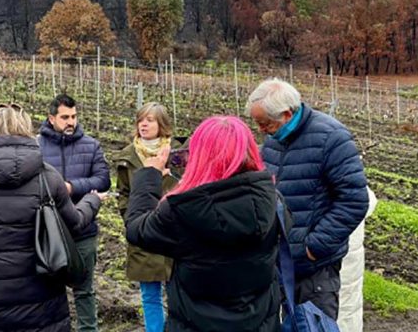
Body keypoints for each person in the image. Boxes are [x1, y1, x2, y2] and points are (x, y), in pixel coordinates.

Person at [0, 104, 105, 332]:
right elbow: (74, 224)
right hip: (43, 304)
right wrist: (92, 201)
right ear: (26, 130)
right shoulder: (48, 178)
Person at [125, 116, 281, 331]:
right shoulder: (272, 199)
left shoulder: (182, 210)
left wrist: (148, 176)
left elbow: (137, 229)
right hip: (259, 323)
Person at [247, 78, 369, 320]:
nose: (261, 130)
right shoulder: (273, 140)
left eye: (265, 123)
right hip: (279, 263)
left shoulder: (332, 138)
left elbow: (354, 200)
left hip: (315, 270)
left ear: (286, 114)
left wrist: (315, 246)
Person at [38, 94, 110, 332]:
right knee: (48, 291)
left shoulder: (91, 146)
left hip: (83, 231)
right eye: (65, 117)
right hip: (49, 232)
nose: (71, 122)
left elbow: (103, 180)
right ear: (51, 118)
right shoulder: (36, 147)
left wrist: (71, 187)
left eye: (74, 116)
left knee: (84, 290)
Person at [114, 102, 179, 332]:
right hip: (144, 231)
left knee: (178, 292)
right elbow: (123, 193)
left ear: (162, 124)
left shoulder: (178, 154)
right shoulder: (128, 157)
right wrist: (131, 219)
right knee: (150, 294)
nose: (143, 124)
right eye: (140, 120)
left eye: (149, 120)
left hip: (175, 232)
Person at [337, 186, 378, 332]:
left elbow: (360, 201)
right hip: (341, 247)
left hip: (341, 250)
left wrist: (318, 243)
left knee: (343, 306)